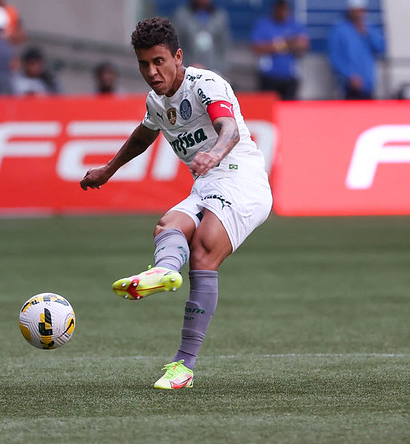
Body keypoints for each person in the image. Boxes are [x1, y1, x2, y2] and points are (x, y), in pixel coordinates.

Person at [80, 17, 272, 390]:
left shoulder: (206, 83)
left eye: (159, 61)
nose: (151, 72)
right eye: (143, 64)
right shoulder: (156, 101)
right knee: (168, 224)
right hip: (207, 183)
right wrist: (108, 169)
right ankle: (164, 271)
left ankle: (183, 365)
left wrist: (214, 154)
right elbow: (144, 134)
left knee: (202, 249)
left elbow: (229, 128)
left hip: (242, 179)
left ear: (177, 56)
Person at [250, 0, 309, 100]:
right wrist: (285, 44)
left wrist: (275, 45)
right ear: (275, 10)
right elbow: (256, 47)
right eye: (280, 10)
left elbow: (303, 44)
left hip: (290, 76)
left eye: (285, 10)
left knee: (289, 109)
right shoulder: (264, 25)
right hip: (268, 76)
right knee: (268, 109)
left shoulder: (295, 25)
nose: (283, 13)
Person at [328, 0, 384, 100]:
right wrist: (349, 76)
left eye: (362, 11)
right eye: (356, 11)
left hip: (368, 83)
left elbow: (380, 47)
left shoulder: (370, 28)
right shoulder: (339, 29)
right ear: (350, 11)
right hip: (349, 85)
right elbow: (335, 58)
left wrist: (367, 33)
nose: (359, 14)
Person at [172, 0, 231, 76]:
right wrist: (188, 67)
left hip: (214, 72)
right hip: (187, 72)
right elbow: (176, 45)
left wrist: (213, 69)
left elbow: (223, 48)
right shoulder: (181, 16)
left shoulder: (220, 16)